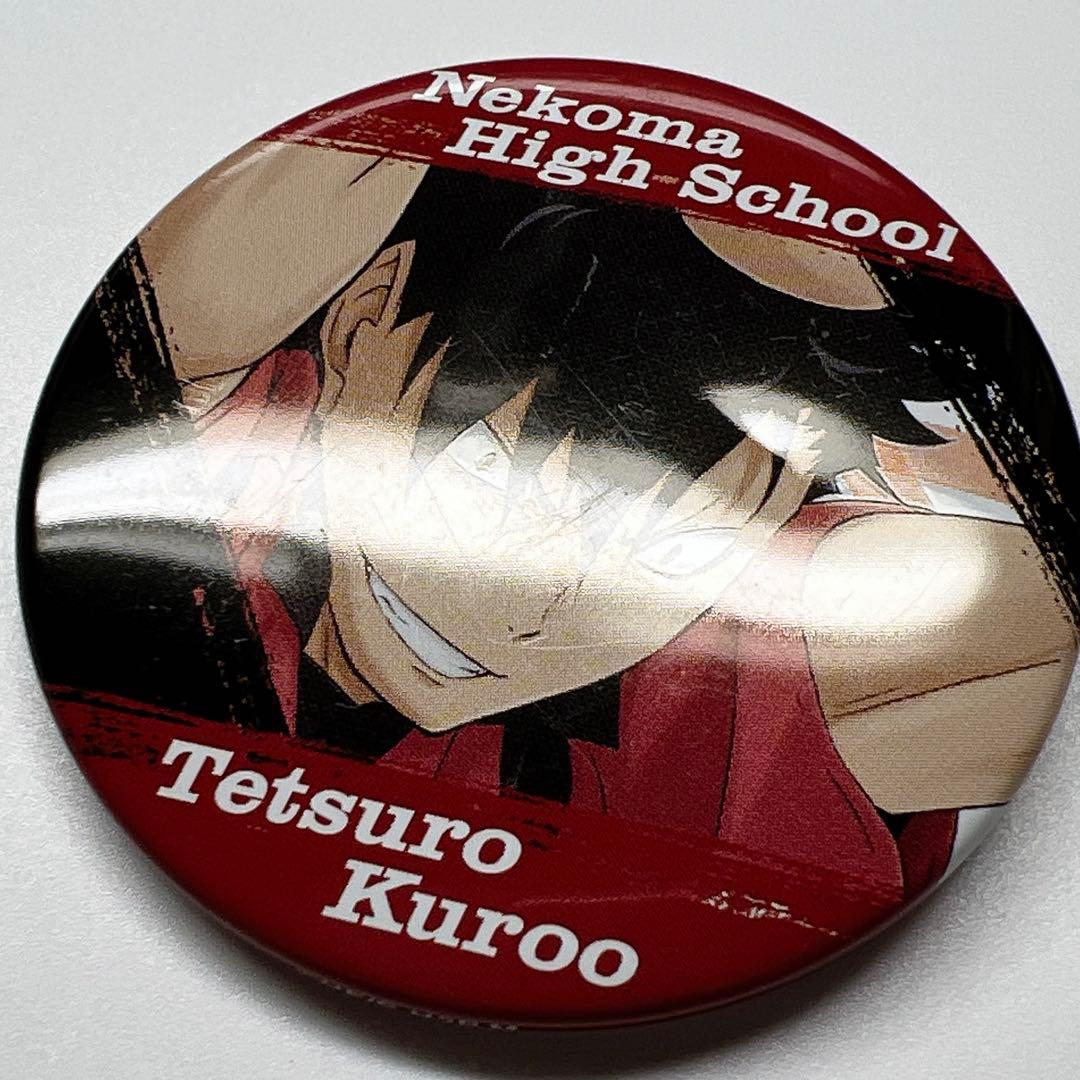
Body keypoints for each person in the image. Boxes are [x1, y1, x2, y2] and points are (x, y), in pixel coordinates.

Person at [27, 139, 1078, 907]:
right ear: (360, 323)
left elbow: (1015, 608)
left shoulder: (733, 680)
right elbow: (244, 257)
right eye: (486, 476)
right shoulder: (210, 452)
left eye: (669, 551)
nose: (528, 618)